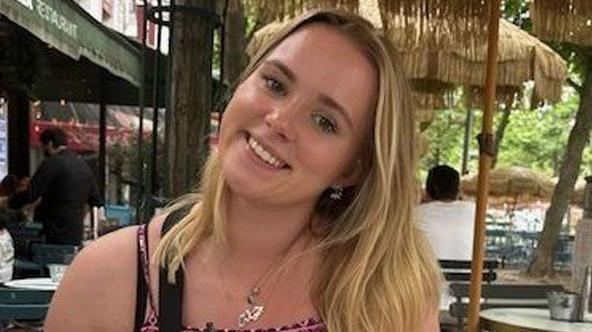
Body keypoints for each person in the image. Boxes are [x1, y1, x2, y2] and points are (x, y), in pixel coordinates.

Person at [45, 10, 441, 332]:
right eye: (275, 83)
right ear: (240, 86)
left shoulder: (389, 299)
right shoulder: (110, 276)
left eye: (324, 121)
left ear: (352, 168)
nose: (280, 119)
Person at [0, 128, 104, 245]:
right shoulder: (83, 166)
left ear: (50, 143)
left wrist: (7, 202)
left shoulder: (53, 163)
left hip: (51, 233)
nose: (43, 150)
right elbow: (96, 200)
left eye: (43, 146)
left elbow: (31, 193)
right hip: (74, 235)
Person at [418, 165, 475, 261]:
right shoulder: (475, 211)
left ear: (427, 190)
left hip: (429, 275)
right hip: (469, 275)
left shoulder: (416, 214)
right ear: (458, 190)